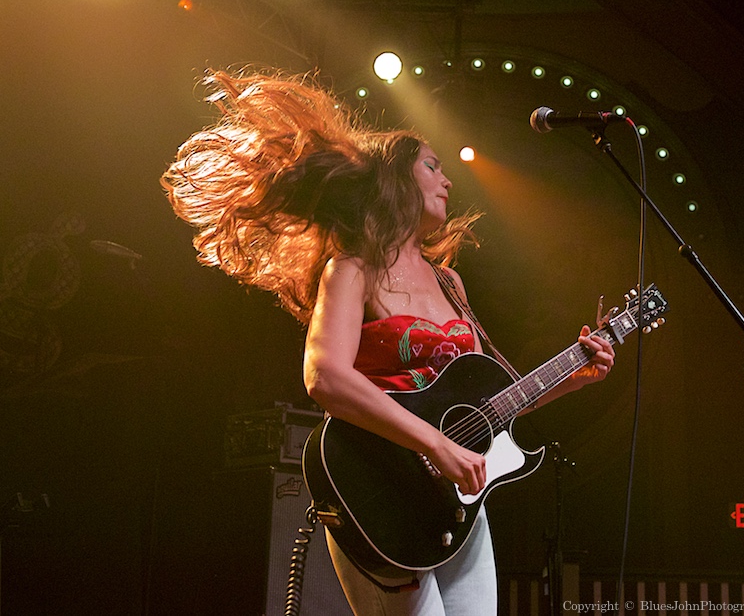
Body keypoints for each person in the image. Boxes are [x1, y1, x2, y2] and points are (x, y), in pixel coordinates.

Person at [161, 68, 616, 615]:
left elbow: (490, 401)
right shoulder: (351, 270)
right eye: (433, 166)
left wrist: (575, 378)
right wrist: (436, 444)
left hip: (456, 504)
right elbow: (325, 377)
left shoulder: (450, 282)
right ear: (396, 181)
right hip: (382, 496)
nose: (448, 181)